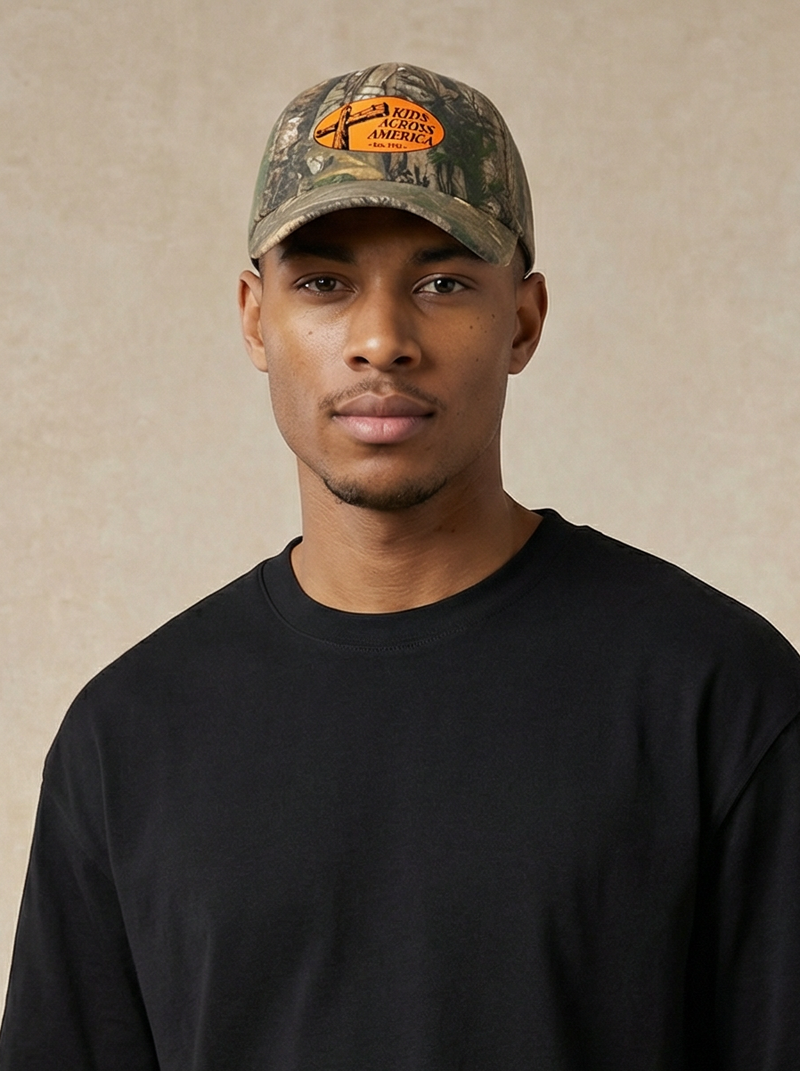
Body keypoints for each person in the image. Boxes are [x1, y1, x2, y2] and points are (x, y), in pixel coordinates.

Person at [1, 61, 798, 1071]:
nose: (381, 340)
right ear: (255, 317)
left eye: (442, 282)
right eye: (324, 282)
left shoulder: (717, 697)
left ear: (522, 320)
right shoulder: (126, 740)